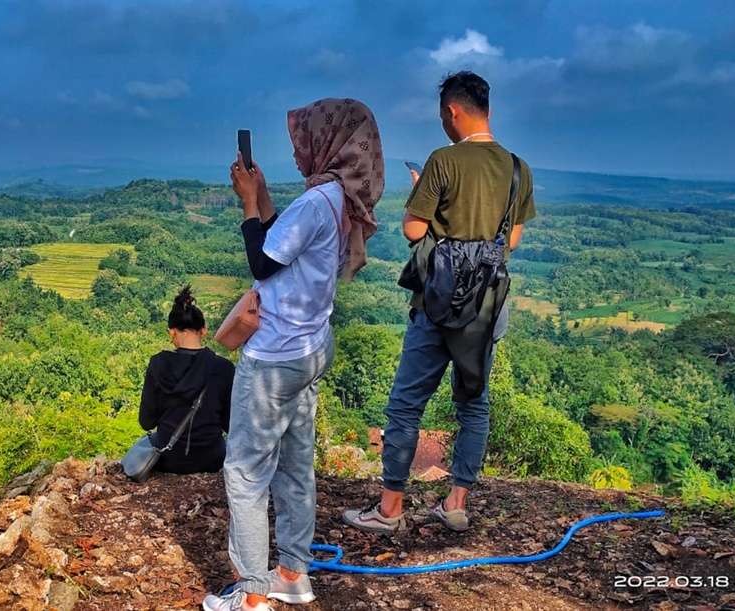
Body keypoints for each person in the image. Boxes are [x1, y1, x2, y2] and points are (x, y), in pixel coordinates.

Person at [203, 98, 384, 611]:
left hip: (274, 358)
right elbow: (285, 240)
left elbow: (263, 262)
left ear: (326, 141)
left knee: (244, 471)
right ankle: (292, 574)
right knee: (295, 466)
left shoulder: (315, 200)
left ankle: (252, 595)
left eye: (303, 139)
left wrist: (244, 204)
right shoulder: (335, 197)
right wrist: (260, 194)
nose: (299, 150)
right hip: (309, 349)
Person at [343, 71, 535, 534]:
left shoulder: (443, 162)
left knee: (407, 403)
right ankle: (455, 503)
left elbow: (413, 230)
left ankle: (390, 509)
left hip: (438, 301)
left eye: (441, 116)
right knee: (474, 404)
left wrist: (419, 192)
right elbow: (511, 239)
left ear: (452, 111)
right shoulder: (516, 168)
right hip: (487, 306)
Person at [127, 285, 234, 475]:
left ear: (172, 332)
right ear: (204, 330)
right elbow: (230, 424)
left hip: (168, 459)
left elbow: (146, 422)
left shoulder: (158, 364)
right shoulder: (223, 368)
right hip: (212, 458)